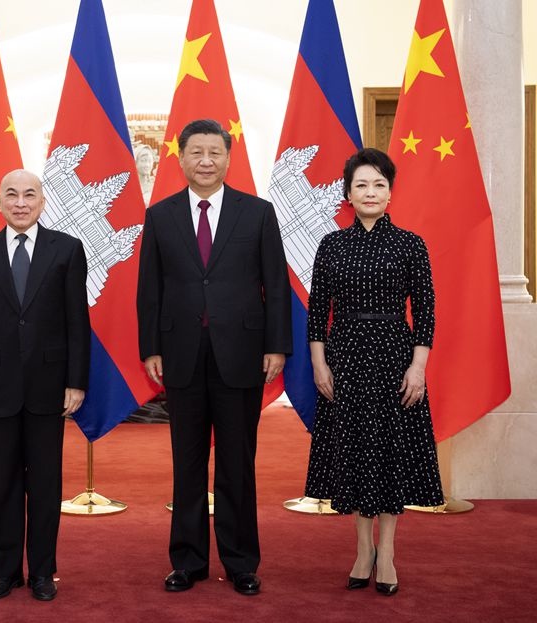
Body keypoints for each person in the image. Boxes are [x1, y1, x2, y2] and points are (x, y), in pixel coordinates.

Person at [137, 119, 292, 595]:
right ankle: (188, 561)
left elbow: (276, 286)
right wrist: (151, 348)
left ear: (228, 157)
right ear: (180, 157)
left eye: (214, 152)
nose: (206, 161)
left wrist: (275, 346)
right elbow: (149, 289)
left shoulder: (258, 213)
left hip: (241, 355)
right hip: (180, 355)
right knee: (186, 463)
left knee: (237, 463)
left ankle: (241, 561)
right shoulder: (160, 216)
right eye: (196, 152)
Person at [303, 148, 444, 596]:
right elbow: (315, 314)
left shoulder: (410, 244)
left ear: (389, 193)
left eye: (379, 184)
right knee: (357, 455)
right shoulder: (331, 245)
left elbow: (424, 313)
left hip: (395, 360)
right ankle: (363, 549)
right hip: (344, 359)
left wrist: (418, 368)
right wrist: (319, 364)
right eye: (361, 184)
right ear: (347, 193)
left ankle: (388, 553)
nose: (370, 192)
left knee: (389, 456)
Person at [0, 169, 91, 602]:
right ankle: (6, 571)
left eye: (28, 194)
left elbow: (77, 321)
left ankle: (42, 573)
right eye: (11, 194)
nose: (20, 202)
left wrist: (76, 381)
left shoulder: (67, 250)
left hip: (50, 386)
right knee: (6, 483)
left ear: (42, 201)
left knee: (47, 484)